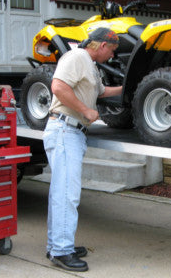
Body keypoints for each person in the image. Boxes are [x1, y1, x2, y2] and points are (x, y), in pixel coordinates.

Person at [43, 27, 122, 272]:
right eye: (111, 50)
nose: (112, 56)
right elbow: (57, 87)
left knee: (61, 191)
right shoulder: (77, 57)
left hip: (72, 133)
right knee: (67, 194)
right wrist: (86, 110)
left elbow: (101, 92)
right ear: (100, 45)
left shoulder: (91, 65)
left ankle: (57, 244)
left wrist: (127, 89)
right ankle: (62, 251)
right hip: (65, 130)